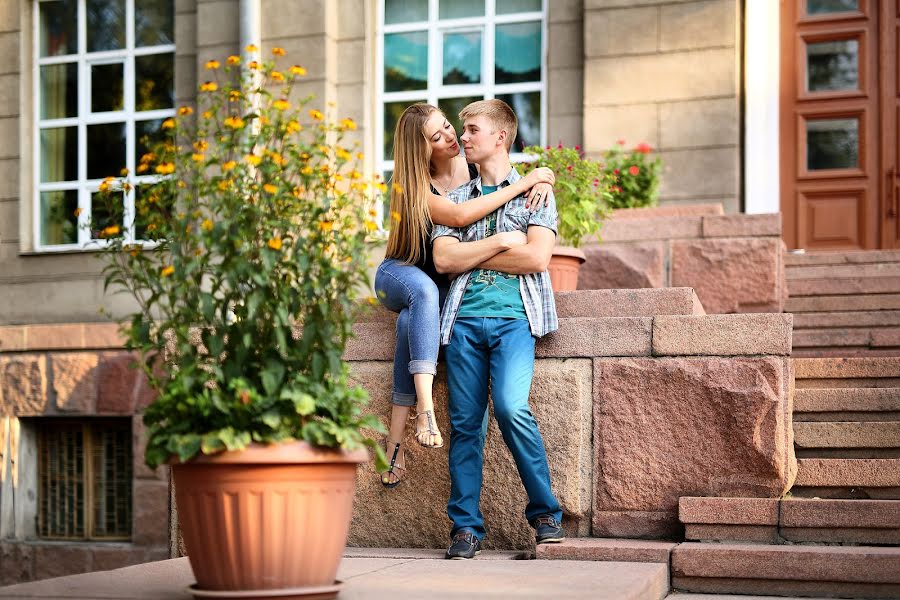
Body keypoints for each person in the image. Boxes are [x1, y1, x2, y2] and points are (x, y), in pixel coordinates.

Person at [375, 103, 555, 488]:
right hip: (402, 271)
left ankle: (394, 444)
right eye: (438, 137)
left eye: (448, 126)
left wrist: (541, 180)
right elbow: (457, 221)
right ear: (420, 149)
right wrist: (507, 228)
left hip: (447, 282)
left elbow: (505, 172)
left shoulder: (474, 164)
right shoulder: (413, 183)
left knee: (413, 319)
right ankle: (425, 409)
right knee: (421, 293)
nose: (453, 137)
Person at [431, 99, 564, 559]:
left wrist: (477, 251)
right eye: (462, 131)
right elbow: (445, 260)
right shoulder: (452, 203)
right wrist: (504, 240)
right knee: (465, 425)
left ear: (500, 137)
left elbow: (537, 258)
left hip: (514, 322)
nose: (461, 139)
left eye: (471, 130)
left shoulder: (537, 194)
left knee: (511, 407)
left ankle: (546, 513)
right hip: (463, 322)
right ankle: (466, 529)